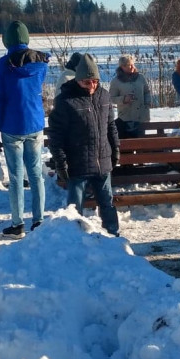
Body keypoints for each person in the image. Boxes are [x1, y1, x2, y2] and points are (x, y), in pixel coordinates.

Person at [0, 20, 49, 236]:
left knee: (15, 176)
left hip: (11, 126)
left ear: (7, 40)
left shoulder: (2, 66)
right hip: (35, 123)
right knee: (35, 173)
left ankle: (17, 223)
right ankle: (39, 219)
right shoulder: (41, 62)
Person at [48, 54, 120, 236]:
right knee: (74, 209)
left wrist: (115, 149)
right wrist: (60, 162)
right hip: (78, 164)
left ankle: (113, 236)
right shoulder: (65, 101)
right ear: (78, 80)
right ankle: (74, 239)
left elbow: (110, 125)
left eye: (95, 81)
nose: (92, 86)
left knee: (107, 204)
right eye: (87, 82)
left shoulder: (103, 96)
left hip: (102, 161)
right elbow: (56, 136)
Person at [109, 54, 153, 139]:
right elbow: (111, 98)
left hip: (141, 118)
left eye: (133, 64)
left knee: (141, 146)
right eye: (129, 65)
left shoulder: (140, 77)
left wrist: (147, 103)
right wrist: (123, 99)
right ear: (122, 67)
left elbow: (147, 92)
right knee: (128, 148)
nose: (132, 67)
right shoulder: (116, 81)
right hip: (125, 119)